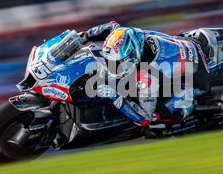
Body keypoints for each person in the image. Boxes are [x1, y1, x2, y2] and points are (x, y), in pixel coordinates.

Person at [80, 21, 216, 128]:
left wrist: (116, 97)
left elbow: (144, 118)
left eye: (118, 63)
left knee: (156, 119)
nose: (113, 66)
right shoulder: (127, 35)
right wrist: (85, 36)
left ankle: (183, 114)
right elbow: (112, 26)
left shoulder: (148, 75)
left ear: (133, 56)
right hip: (183, 45)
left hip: (196, 76)